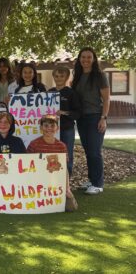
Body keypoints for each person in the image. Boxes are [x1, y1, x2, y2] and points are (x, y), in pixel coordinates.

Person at [72, 47, 110, 195]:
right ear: (79, 59)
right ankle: (91, 180)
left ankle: (98, 183)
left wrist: (103, 118)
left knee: (95, 151)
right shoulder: (78, 75)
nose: (86, 60)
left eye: (89, 57)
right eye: (83, 57)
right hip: (82, 118)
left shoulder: (100, 75)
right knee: (88, 151)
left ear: (94, 59)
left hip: (96, 117)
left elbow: (106, 99)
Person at [27, 115, 78, 212]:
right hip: (37, 182)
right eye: (46, 126)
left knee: (71, 208)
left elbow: (64, 169)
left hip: (56, 183)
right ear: (41, 128)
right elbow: (28, 166)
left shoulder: (61, 146)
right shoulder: (34, 144)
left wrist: (67, 187)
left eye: (52, 126)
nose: (49, 128)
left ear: (57, 128)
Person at [48, 66, 81, 177]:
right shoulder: (49, 92)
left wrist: (64, 112)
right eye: (56, 76)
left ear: (67, 77)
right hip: (50, 130)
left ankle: (67, 182)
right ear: (53, 77)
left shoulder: (71, 93)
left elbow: (78, 113)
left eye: (62, 76)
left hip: (67, 129)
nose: (59, 78)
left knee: (67, 155)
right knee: (52, 154)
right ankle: (53, 178)